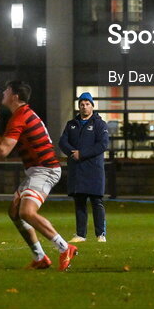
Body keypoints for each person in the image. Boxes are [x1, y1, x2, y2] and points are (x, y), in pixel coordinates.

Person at [0, 81, 78, 271]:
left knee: (26, 212)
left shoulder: (20, 116)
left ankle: (65, 247)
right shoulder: (22, 114)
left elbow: (2, 151)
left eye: (7, 90)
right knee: (14, 212)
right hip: (38, 169)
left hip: (45, 169)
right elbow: (5, 144)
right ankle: (40, 257)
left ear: (15, 96)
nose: (3, 92)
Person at [59, 92, 110, 243]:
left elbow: (102, 145)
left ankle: (101, 234)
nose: (84, 107)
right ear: (79, 106)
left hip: (94, 170)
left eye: (87, 104)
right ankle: (81, 234)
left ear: (92, 106)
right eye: (82, 104)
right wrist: (72, 153)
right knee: (79, 202)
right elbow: (62, 142)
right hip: (77, 170)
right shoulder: (71, 124)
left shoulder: (99, 124)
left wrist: (82, 154)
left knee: (96, 202)